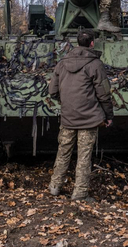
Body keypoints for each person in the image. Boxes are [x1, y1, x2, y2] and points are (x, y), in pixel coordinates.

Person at [47, 30, 114, 201]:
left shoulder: (62, 63)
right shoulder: (95, 64)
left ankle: (55, 187)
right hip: (89, 120)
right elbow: (104, 94)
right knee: (84, 157)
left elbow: (52, 91)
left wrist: (67, 103)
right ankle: (80, 193)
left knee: (63, 152)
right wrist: (108, 115)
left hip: (68, 118)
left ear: (77, 43)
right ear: (92, 43)